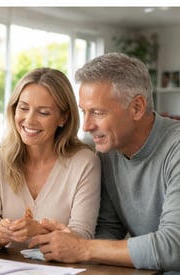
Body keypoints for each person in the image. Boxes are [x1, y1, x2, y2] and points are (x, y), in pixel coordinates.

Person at [29, 53, 180, 272]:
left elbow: (174, 247)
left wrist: (84, 248)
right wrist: (71, 242)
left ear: (137, 107)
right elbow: (110, 228)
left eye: (98, 112)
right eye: (84, 112)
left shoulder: (175, 149)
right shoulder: (108, 153)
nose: (86, 126)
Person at [0, 68, 101, 250]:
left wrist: (40, 230)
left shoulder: (85, 163)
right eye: (23, 108)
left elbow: (83, 235)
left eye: (43, 112)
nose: (29, 120)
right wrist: (0, 235)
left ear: (63, 118)